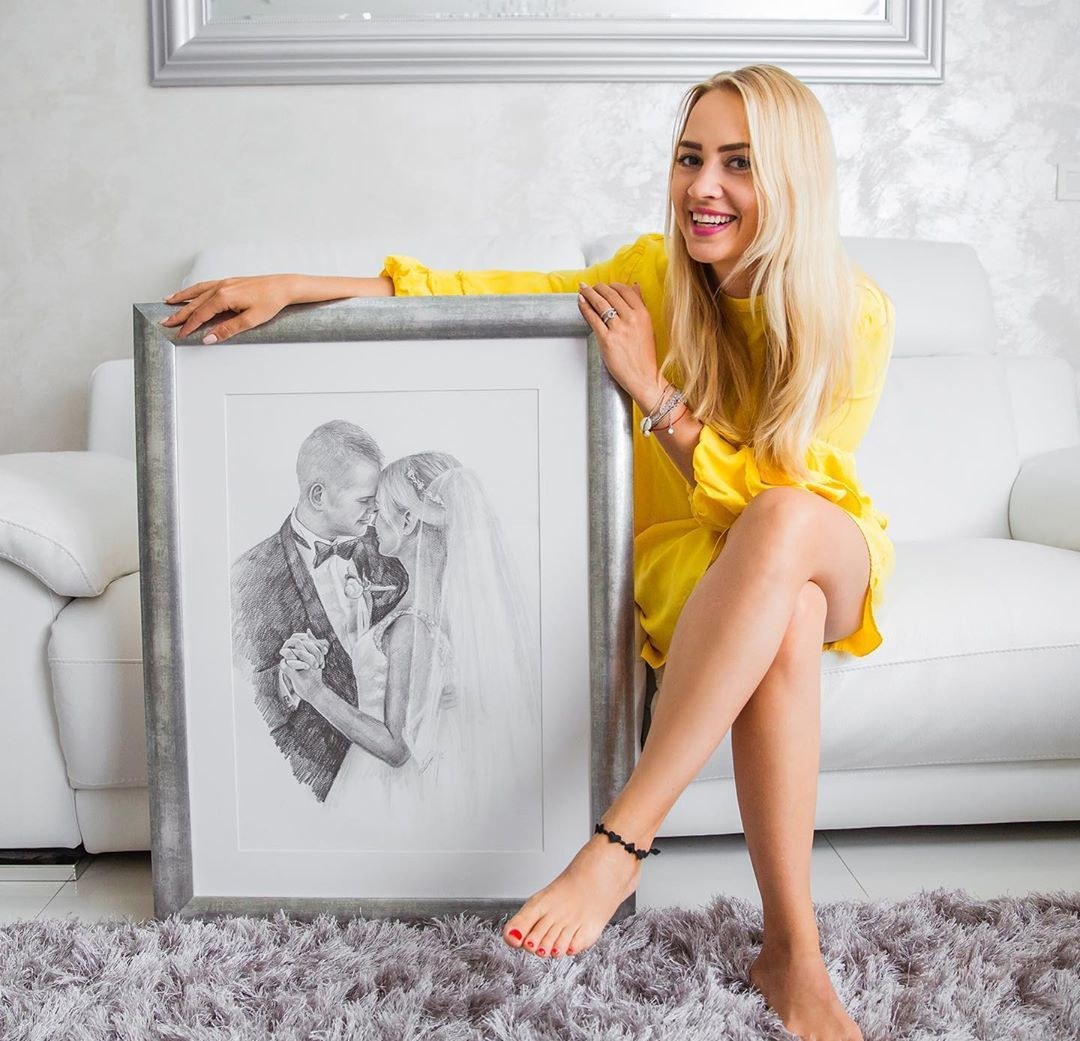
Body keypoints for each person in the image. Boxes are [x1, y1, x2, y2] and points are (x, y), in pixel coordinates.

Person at [163, 63, 895, 1041]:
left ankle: (618, 844)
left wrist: (657, 396)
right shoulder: (652, 274)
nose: (703, 188)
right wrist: (301, 288)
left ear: (793, 180)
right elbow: (488, 295)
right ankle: (792, 954)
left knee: (785, 530)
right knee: (784, 615)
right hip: (703, 571)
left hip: (822, 547)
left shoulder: (853, 311)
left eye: (738, 164)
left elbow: (780, 497)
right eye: (689, 159)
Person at [282, 450, 540, 841]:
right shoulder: (434, 613)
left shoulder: (412, 626)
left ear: (407, 521)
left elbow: (396, 746)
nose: (371, 521)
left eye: (379, 509)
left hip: (385, 788)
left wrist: (315, 691)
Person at [230, 420, 409, 803]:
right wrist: (288, 678)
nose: (376, 511)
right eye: (365, 501)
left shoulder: (390, 546)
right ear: (318, 495)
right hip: (315, 777)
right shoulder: (251, 575)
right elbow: (236, 692)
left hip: (398, 770)